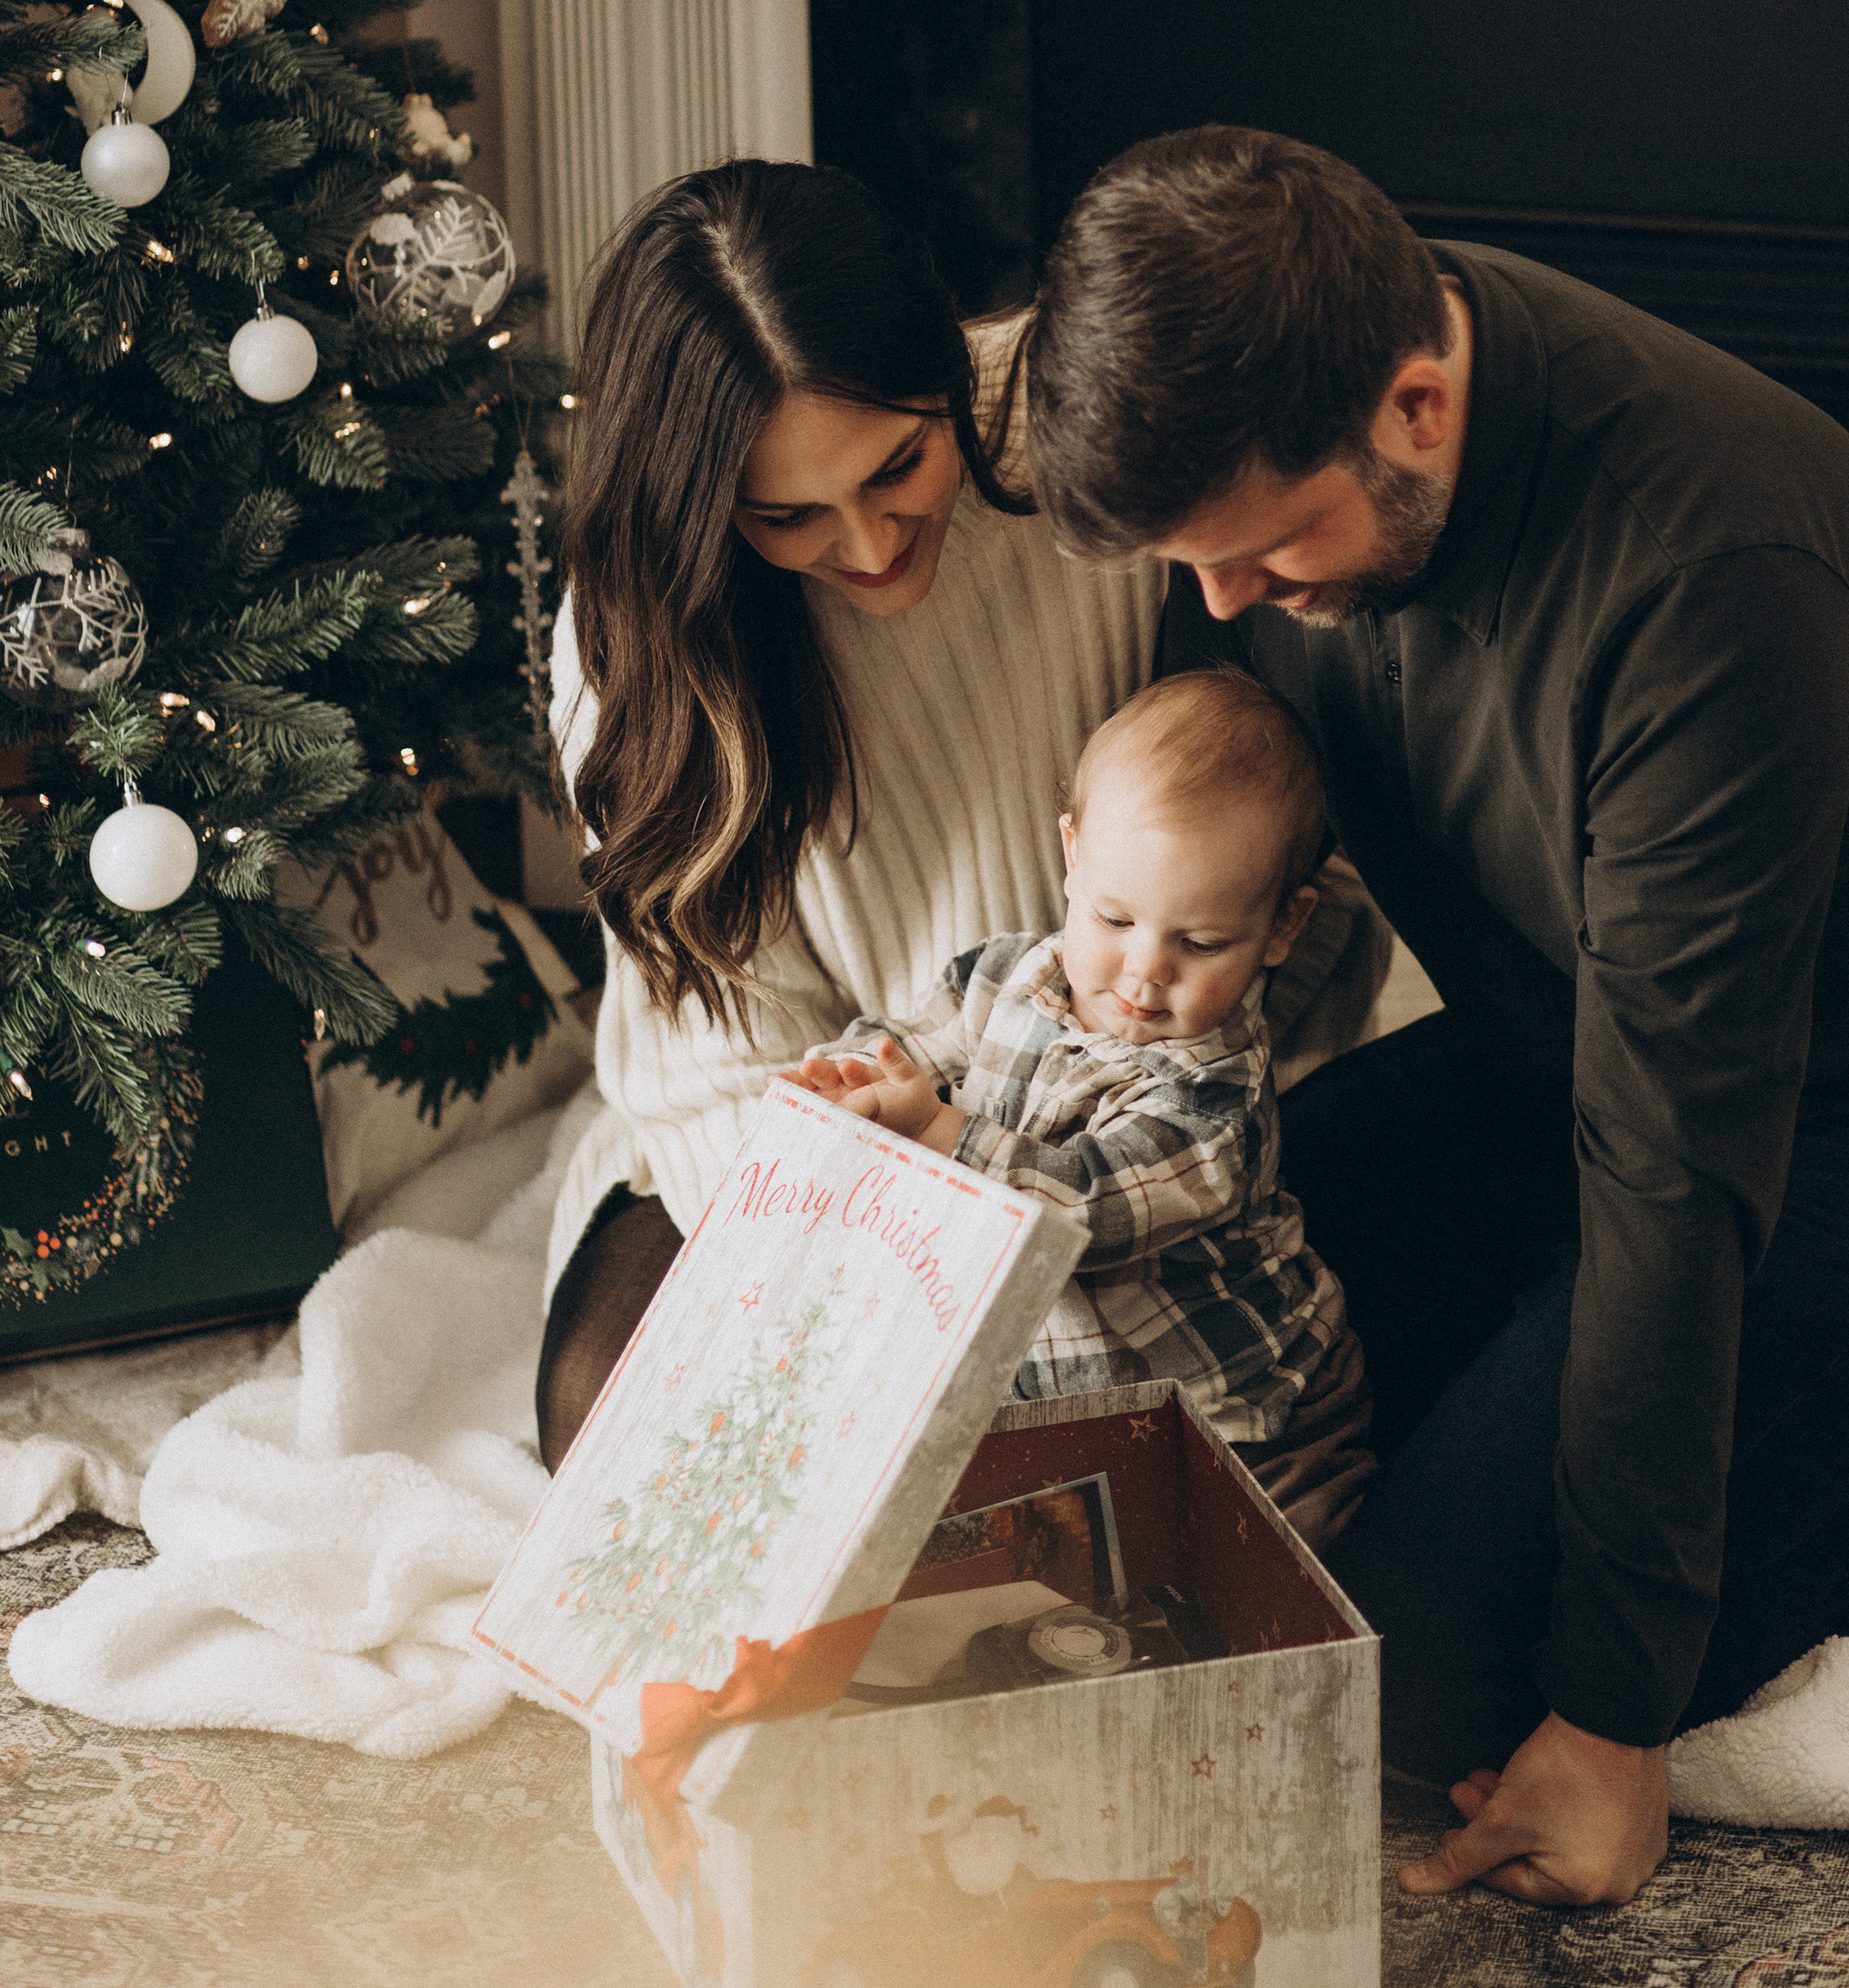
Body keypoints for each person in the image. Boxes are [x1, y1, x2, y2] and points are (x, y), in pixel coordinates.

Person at [1024, 126, 1849, 1913]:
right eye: (1192, 565)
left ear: (1414, 408)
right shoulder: (1306, 384)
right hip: (1569, 1041)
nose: (1222, 609)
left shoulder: (1706, 581)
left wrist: (1615, 1715)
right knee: (1151, 1302)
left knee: (1375, 1700)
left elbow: (1673, 1158)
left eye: (1258, 554)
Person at [536, 158, 1387, 1476]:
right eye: (789, 516)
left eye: (899, 465)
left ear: (948, 374)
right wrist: (897, 1221)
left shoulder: (1082, 437)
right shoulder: (636, 646)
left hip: (1165, 1099)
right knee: (620, 1428)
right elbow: (717, 1077)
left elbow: (1278, 829)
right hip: (848, 1155)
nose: (872, 547)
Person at [795, 666, 1377, 1550]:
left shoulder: (1209, 1099)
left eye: (1201, 942)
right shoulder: (1004, 976)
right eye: (1113, 919)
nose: (1145, 972)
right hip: (1068, 1400)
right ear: (1072, 858)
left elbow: (1080, 1204)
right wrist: (848, 1080)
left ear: (1283, 928)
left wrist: (935, 1130)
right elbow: (906, 1038)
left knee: (1263, 1583)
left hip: (1253, 1422)